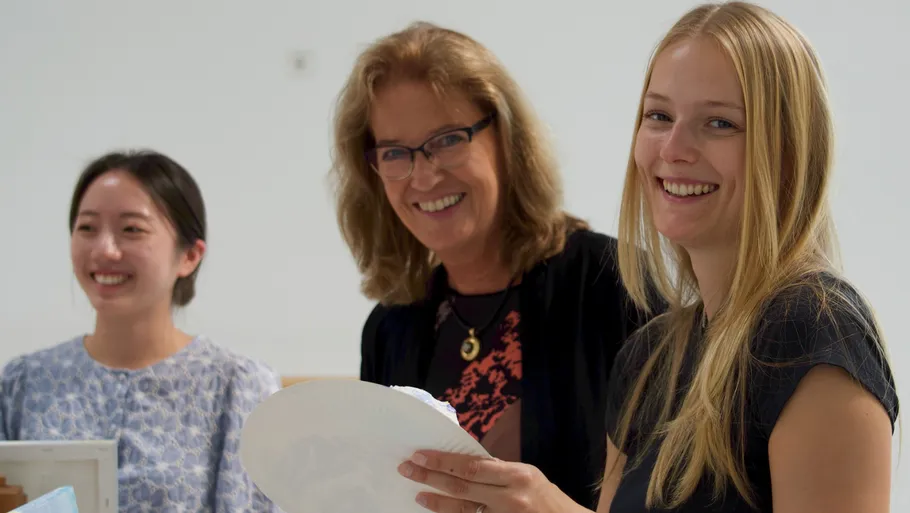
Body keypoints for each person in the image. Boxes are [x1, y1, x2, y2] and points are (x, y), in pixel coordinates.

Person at [396, 3, 899, 513]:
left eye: (720, 123)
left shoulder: (812, 332)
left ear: (788, 150)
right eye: (658, 116)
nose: (674, 147)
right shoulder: (649, 358)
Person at [329, 21, 661, 510]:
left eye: (446, 140)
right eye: (396, 153)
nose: (424, 175)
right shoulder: (388, 329)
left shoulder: (614, 284)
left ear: (505, 138)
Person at [0, 150, 281, 512]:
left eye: (131, 229)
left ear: (189, 256)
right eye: (87, 228)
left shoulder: (239, 388)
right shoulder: (23, 384)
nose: (105, 249)